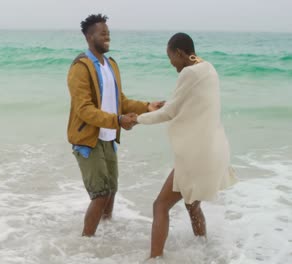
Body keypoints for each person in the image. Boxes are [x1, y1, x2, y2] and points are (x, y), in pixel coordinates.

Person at [135, 32, 237, 258]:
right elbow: (189, 105)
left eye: (170, 57)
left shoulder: (189, 73)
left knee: (160, 206)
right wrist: (163, 106)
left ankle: (154, 258)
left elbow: (171, 112)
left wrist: (136, 119)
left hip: (196, 157)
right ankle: (203, 250)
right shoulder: (209, 68)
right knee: (192, 205)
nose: (171, 63)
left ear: (180, 53)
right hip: (215, 151)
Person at [67, 14, 164, 237]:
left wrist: (146, 106)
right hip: (88, 141)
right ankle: (86, 243)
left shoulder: (111, 65)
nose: (107, 36)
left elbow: (120, 100)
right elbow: (84, 109)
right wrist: (117, 121)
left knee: (111, 192)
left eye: (108, 32)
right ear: (90, 37)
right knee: (100, 194)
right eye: (103, 33)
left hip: (109, 138)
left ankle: (107, 235)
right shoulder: (80, 67)